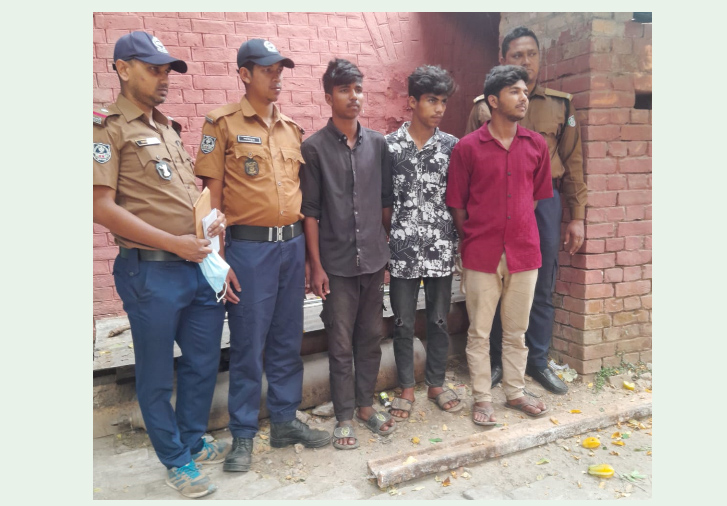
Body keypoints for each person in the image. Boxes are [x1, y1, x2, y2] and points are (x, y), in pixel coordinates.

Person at [93, 31, 229, 498]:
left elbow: (181, 197)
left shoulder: (168, 128)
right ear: (123, 68)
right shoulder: (107, 129)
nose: (164, 78)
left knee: (202, 362)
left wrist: (209, 222)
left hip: (196, 266)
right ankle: (175, 460)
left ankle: (191, 439)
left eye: (167, 70)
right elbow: (100, 206)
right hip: (150, 271)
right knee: (155, 373)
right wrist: (174, 243)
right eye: (154, 70)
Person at [194, 39, 330, 473]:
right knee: (249, 344)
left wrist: (307, 257)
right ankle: (243, 434)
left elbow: (300, 197)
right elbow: (212, 201)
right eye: (268, 70)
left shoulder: (291, 129)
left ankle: (285, 421)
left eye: (280, 70)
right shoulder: (222, 124)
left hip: (291, 246)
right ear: (244, 74)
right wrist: (219, 263)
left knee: (288, 338)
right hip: (249, 250)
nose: (277, 78)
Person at [465, 26, 587, 394]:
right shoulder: (482, 107)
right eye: (517, 55)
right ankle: (498, 362)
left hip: (544, 201)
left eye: (531, 54)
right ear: (503, 59)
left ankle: (537, 361)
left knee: (541, 283)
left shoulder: (559, 105)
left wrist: (577, 216)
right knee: (496, 281)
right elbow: (470, 161)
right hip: (495, 204)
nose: (526, 61)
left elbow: (573, 161)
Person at [447, 65, 552, 426]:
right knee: (479, 332)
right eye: (514, 92)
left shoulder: (536, 145)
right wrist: (476, 238)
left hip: (524, 251)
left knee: (516, 331)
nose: (523, 98)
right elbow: (458, 205)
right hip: (481, 253)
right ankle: (481, 398)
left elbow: (533, 199)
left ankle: (515, 392)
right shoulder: (467, 148)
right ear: (493, 100)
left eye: (525, 92)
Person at [300, 59, 396, 450]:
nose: (353, 96)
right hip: (336, 265)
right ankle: (344, 416)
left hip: (373, 260)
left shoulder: (378, 144)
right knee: (340, 343)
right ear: (329, 97)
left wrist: (387, 251)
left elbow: (385, 202)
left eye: (358, 89)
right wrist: (316, 266)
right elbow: (310, 213)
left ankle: (366, 406)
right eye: (344, 90)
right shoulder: (314, 148)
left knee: (370, 337)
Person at [384, 65, 462, 421]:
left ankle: (436, 383)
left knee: (439, 319)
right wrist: (396, 233)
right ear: (412, 102)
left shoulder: (451, 147)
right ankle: (406, 387)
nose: (439, 108)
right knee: (402, 320)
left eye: (443, 101)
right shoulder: (389, 147)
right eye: (432, 100)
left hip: (440, 248)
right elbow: (384, 201)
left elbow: (457, 198)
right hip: (401, 251)